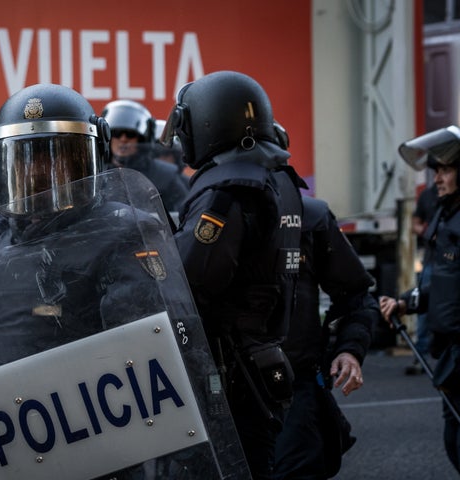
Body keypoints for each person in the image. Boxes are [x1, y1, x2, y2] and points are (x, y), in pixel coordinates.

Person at [0, 83, 239, 479]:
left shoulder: (124, 231)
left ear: (91, 160)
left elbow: (158, 355)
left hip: (102, 444)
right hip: (16, 445)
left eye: (58, 160)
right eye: (24, 161)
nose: (40, 173)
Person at [161, 70, 306, 480]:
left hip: (231, 374)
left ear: (208, 123)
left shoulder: (226, 193)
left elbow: (188, 281)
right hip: (258, 359)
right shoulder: (271, 177)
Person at [270, 124, 377, 479]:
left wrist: (349, 349)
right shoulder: (210, 216)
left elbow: (356, 296)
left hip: (295, 385)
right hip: (224, 391)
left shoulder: (311, 218)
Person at [379, 124, 460, 474]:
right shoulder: (448, 215)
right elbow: (444, 283)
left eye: (445, 169)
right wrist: (405, 302)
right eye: (436, 170)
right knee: (454, 442)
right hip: (450, 354)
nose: (437, 178)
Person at [101, 99, 189, 217]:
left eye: (131, 134)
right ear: (108, 138)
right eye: (116, 133)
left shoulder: (164, 176)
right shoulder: (96, 174)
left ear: (143, 138)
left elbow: (185, 216)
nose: (123, 139)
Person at [405, 182, 439, 375]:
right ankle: (421, 355)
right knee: (422, 308)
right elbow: (415, 223)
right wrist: (428, 233)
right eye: (437, 171)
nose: (439, 178)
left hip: (451, 262)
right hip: (432, 261)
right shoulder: (428, 195)